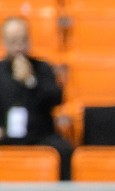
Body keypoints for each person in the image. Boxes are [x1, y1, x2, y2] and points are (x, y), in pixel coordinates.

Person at [0, 16, 73, 179]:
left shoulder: (42, 68)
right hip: (7, 134)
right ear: (4, 42)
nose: (19, 46)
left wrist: (31, 81)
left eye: (23, 40)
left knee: (64, 148)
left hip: (39, 134)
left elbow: (57, 98)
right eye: (13, 41)